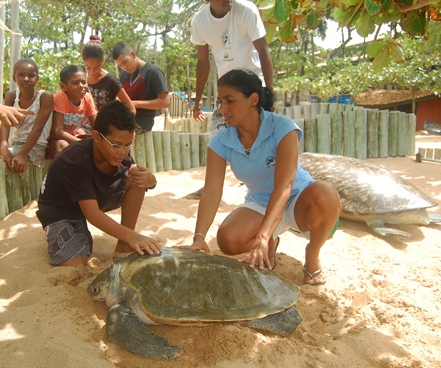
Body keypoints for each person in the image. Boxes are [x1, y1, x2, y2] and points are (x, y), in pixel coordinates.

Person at [180, 69, 340, 285]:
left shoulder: (282, 126)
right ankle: (272, 241)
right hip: (260, 202)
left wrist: (261, 236)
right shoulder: (220, 141)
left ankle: (312, 255)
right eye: (220, 102)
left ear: (253, 100)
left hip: (297, 199)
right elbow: (211, 192)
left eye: (230, 101)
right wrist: (199, 237)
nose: (222, 109)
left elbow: (285, 186)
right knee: (228, 240)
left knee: (326, 193)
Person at [36, 100, 161, 266]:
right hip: (62, 211)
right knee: (74, 262)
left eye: (127, 145)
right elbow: (93, 214)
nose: (122, 152)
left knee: (137, 177)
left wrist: (151, 181)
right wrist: (133, 236)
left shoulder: (118, 155)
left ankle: (123, 244)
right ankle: (119, 236)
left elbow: (134, 174)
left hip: (90, 199)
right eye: (116, 145)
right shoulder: (75, 161)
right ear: (96, 136)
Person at [187, 0, 274, 199]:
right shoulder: (200, 21)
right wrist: (198, 99)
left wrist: (268, 93)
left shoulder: (246, 10)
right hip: (226, 88)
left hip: (253, 87)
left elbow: (263, 50)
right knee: (217, 136)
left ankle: (270, 187)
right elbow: (202, 61)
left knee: (264, 139)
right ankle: (210, 187)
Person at [0, 58, 53, 173]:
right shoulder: (11, 96)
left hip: (35, 147)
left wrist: (21, 155)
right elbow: (5, 123)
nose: (26, 79)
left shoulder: (44, 98)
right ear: (14, 77)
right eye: (21, 75)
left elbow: (37, 129)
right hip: (15, 144)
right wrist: (3, 146)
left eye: (31, 76)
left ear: (37, 79)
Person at [112, 42, 169, 134]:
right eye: (120, 66)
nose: (124, 67)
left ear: (133, 54)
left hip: (141, 124)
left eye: (125, 62)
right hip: (124, 118)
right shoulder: (124, 75)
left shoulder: (153, 72)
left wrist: (136, 104)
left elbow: (165, 102)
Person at [47, 65, 97, 158]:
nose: (81, 86)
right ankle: (59, 171)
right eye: (75, 83)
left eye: (83, 82)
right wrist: (81, 143)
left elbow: (97, 127)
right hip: (54, 140)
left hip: (72, 137)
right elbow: (57, 132)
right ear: (63, 86)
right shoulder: (60, 97)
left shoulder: (87, 98)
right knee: (63, 146)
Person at [81, 35, 135, 115]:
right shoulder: (81, 80)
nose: (92, 72)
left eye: (96, 68)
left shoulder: (111, 81)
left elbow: (131, 110)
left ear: (103, 61)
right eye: (88, 67)